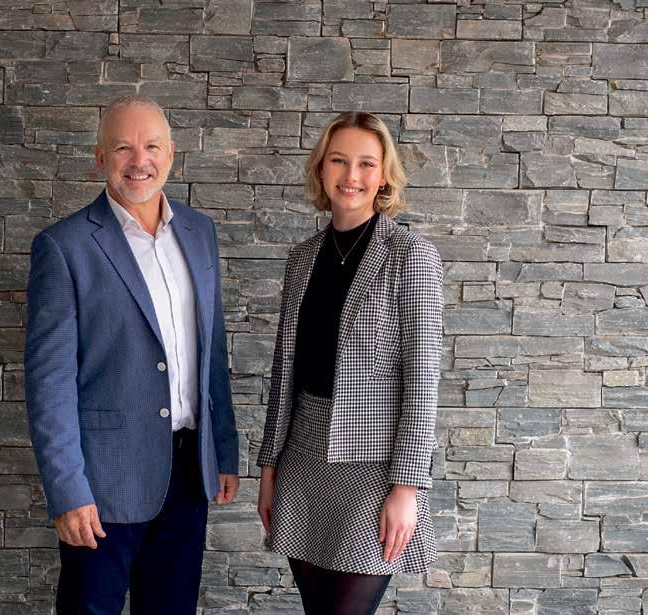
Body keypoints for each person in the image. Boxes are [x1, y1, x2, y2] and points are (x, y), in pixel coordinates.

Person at [24, 95, 239, 615]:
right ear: (101, 158)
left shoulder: (199, 232)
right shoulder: (65, 246)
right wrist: (68, 490)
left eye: (152, 147)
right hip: (103, 481)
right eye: (123, 148)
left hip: (188, 470)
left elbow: (212, 351)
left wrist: (224, 450)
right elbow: (49, 384)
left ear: (171, 154)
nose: (139, 161)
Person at [256, 112, 442, 615]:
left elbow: (422, 381)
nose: (351, 175)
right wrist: (269, 466)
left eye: (366, 163)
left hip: (373, 472)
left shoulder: (410, 256)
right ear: (321, 169)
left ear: (384, 175)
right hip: (302, 460)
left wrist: (407, 487)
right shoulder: (302, 258)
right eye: (338, 161)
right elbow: (284, 372)